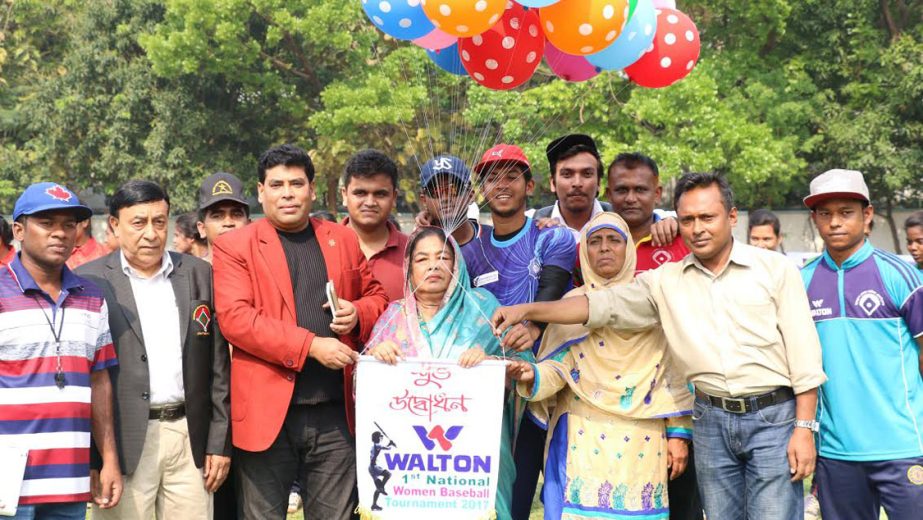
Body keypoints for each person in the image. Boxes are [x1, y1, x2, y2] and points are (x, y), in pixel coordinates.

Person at [493, 173, 826, 520]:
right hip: (708, 420)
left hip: (770, 417)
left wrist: (803, 429)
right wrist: (528, 311)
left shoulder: (774, 269)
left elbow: (804, 356)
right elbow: (598, 306)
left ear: (731, 216)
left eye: (707, 218)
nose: (697, 228)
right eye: (687, 220)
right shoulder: (666, 281)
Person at [212, 144, 388, 519]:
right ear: (261, 192)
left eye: (296, 183)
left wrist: (357, 312)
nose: (287, 193)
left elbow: (376, 297)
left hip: (335, 415)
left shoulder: (340, 239)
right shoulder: (235, 246)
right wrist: (310, 345)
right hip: (266, 415)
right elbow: (236, 319)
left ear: (312, 189)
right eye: (277, 184)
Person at [509, 212, 693, 519]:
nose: (604, 248)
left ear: (628, 248)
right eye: (594, 241)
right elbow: (559, 368)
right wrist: (533, 374)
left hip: (642, 440)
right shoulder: (568, 305)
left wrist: (678, 434)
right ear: (584, 252)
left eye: (613, 240)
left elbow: (672, 374)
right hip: (580, 437)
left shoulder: (651, 301)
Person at [78, 180, 232, 520]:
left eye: (159, 222)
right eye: (139, 222)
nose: (151, 233)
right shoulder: (88, 282)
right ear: (115, 225)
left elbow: (218, 365)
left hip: (189, 438)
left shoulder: (197, 274)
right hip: (124, 442)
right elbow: (84, 377)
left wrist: (219, 442)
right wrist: (95, 458)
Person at [366, 227, 533, 519]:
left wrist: (492, 363)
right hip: (412, 468)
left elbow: (522, 365)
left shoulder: (483, 308)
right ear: (408, 268)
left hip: (473, 466)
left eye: (443, 257)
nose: (433, 265)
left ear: (457, 265)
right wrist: (377, 358)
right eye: (422, 259)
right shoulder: (393, 316)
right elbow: (364, 389)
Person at [800, 169, 923, 519]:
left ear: (867, 215)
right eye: (825, 214)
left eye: (846, 212)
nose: (835, 222)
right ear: (814, 220)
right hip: (837, 452)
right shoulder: (802, 282)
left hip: (903, 447)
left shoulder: (900, 275)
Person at [464, 143, 577, 520]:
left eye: (512, 176)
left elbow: (553, 287)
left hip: (543, 391)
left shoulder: (552, 237)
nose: (501, 185)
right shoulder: (470, 251)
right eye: (492, 178)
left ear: (530, 186)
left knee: (554, 498)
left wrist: (532, 325)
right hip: (489, 396)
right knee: (497, 502)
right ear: (482, 191)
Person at [0, 182, 121, 518]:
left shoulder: (92, 297)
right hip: (6, 480)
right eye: (47, 223)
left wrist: (109, 459)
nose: (60, 233)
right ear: (19, 230)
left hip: (69, 478)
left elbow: (99, 381)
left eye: (69, 224)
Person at [606, 153, 700, 519]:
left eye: (641, 190)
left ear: (658, 192)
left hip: (676, 404)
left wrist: (677, 223)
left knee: (682, 506)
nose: (631, 197)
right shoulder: (595, 245)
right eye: (622, 189)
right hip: (614, 409)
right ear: (607, 193)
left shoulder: (679, 242)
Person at [340, 149, 409, 301]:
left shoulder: (414, 252)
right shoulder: (322, 248)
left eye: (380, 194)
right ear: (344, 195)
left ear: (394, 197)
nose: (370, 203)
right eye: (360, 193)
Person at [534, 134, 610, 237]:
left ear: (599, 183)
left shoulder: (622, 221)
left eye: (587, 174)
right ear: (552, 183)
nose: (577, 183)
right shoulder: (533, 228)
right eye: (567, 174)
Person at [416, 154, 479, 246]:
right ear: (424, 200)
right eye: (435, 192)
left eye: (453, 189)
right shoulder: (417, 248)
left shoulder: (491, 241)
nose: (445, 198)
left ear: (470, 195)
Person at [196, 171, 251, 264]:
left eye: (237, 214)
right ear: (202, 228)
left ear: (249, 225)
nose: (228, 223)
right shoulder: (193, 276)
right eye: (217, 216)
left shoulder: (263, 272)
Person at [368, 431, 395, 511]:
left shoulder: (374, 446)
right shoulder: (377, 445)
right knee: (388, 474)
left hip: (371, 468)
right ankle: (382, 488)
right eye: (380, 437)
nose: (381, 438)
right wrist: (391, 444)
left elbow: (382, 448)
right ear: (377, 438)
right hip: (374, 467)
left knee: (378, 488)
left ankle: (374, 505)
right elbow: (388, 448)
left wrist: (389, 444)